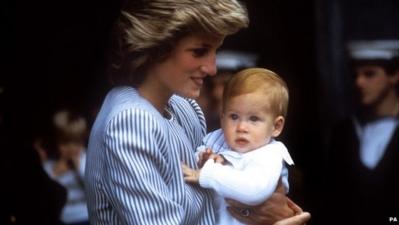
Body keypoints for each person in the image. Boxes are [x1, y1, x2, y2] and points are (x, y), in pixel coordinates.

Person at [84, 0, 311, 225]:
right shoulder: (130, 121)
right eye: (199, 51)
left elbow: (212, 207)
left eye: (214, 51)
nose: (211, 68)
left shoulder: (185, 108)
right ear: (158, 47)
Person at [182, 68, 295, 225]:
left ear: (276, 126)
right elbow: (191, 166)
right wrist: (204, 160)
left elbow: (255, 190)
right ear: (222, 118)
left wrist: (208, 173)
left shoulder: (270, 155)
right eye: (234, 116)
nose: (241, 127)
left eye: (254, 119)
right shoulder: (218, 140)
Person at [326, 40, 399, 225]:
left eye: (369, 74)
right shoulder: (344, 132)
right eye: (356, 75)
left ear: (394, 75)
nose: (359, 82)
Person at [42, 109, 90, 225]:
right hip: (65, 218)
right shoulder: (50, 165)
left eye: (76, 142)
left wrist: (80, 168)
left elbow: (93, 187)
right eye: (65, 143)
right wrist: (55, 174)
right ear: (56, 141)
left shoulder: (87, 159)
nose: (71, 147)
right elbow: (45, 194)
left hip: (87, 215)